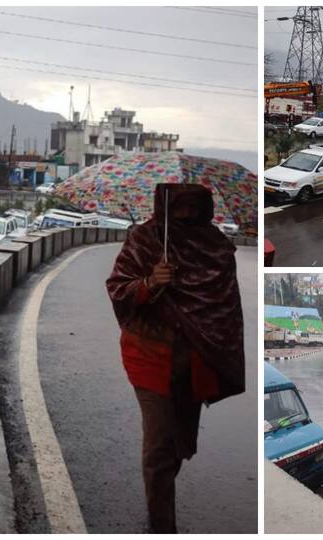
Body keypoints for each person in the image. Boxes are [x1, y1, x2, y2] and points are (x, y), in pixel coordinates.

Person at [106, 183, 245, 533]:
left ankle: (162, 490)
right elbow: (118, 287)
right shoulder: (146, 238)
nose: (187, 217)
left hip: (196, 357)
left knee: (180, 440)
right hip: (149, 354)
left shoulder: (215, 245)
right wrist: (151, 282)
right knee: (160, 447)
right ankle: (162, 525)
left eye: (194, 210)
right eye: (180, 210)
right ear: (166, 207)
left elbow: (224, 306)